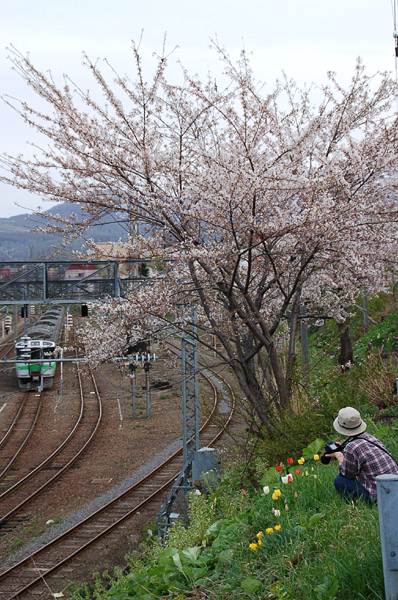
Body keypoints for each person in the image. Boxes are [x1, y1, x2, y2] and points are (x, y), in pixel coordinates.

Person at [326, 406, 398, 502]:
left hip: (380, 494)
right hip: (394, 487)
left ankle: (360, 504)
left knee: (339, 481)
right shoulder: (370, 437)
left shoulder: (351, 447)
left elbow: (346, 474)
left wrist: (339, 456)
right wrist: (345, 452)